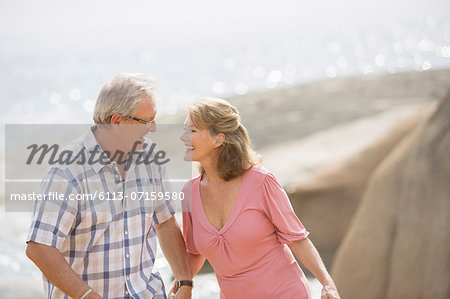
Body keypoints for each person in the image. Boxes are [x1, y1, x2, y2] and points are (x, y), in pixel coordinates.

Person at [26, 73, 192, 299]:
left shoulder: (151, 157)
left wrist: (184, 281)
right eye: (146, 121)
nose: (153, 128)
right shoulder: (66, 171)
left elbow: (165, 222)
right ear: (117, 121)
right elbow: (39, 247)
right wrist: (87, 296)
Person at [178, 98, 341, 299]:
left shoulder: (261, 182)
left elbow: (297, 238)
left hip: (285, 294)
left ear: (218, 139)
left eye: (191, 131)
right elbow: (194, 253)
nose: (182, 137)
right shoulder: (190, 193)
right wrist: (183, 286)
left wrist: (327, 283)